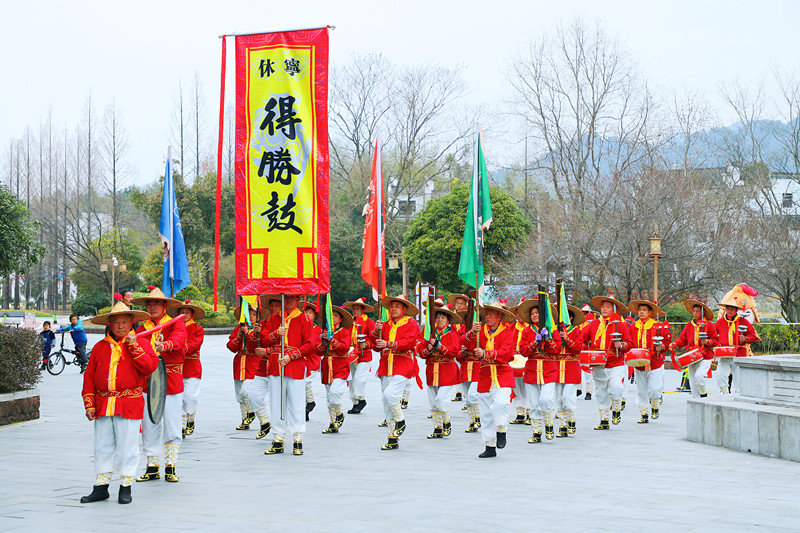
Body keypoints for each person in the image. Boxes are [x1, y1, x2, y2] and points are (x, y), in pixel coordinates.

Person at [79, 302, 158, 505]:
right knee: (102, 446)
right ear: (109, 324)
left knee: (127, 446)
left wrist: (133, 345)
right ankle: (101, 486)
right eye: (116, 322)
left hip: (129, 402)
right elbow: (89, 376)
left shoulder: (142, 343)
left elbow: (149, 366)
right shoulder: (99, 347)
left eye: (125, 322)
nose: (120, 326)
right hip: (104, 402)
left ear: (132, 323)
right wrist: (89, 403)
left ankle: (125, 486)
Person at [133, 287, 187, 483]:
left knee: (172, 425)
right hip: (148, 382)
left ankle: (171, 465)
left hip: (171, 381)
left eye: (156, 303)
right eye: (149, 303)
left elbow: (179, 341)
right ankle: (152, 465)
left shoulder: (176, 324)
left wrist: (167, 345)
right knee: (150, 425)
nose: (152, 306)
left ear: (165, 306)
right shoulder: (140, 329)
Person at [259, 294, 315, 456]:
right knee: (276, 402)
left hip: (295, 364)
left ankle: (298, 438)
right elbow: (263, 338)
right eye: (286, 297)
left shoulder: (304, 319)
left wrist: (291, 356)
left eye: (293, 297)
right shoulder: (274, 319)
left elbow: (311, 343)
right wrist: (276, 333)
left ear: (298, 300)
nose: (289, 300)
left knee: (296, 402)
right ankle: (278, 438)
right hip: (276, 365)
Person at [464, 301, 516, 458]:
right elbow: (464, 343)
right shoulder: (480, 331)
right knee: (485, 413)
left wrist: (486, 353)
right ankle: (490, 446)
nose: (487, 316)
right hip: (485, 375)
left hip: (502, 374)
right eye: (486, 313)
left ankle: (501, 430)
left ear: (499, 316)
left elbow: (507, 353)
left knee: (501, 403)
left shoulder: (506, 332)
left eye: (491, 313)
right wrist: (472, 332)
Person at [370, 295, 421, 451]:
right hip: (386, 365)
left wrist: (388, 343)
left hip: (403, 365)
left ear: (404, 309)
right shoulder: (384, 325)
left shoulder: (411, 324)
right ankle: (392, 439)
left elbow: (409, 343)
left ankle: (401, 420)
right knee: (387, 405)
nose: (393, 309)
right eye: (391, 306)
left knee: (390, 395)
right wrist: (376, 332)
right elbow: (376, 347)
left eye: (397, 306)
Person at [580, 294, 633, 429]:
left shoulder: (620, 325)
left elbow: (629, 344)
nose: (604, 309)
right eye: (603, 307)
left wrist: (620, 345)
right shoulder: (595, 324)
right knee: (600, 392)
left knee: (616, 387)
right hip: (598, 363)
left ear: (613, 309)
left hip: (615, 362)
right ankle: (604, 420)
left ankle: (616, 408)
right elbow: (582, 338)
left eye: (608, 307)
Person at [518, 298, 563, 442]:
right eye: (532, 313)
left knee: (546, 399)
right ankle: (537, 432)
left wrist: (548, 339)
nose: (535, 315)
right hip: (532, 370)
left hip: (549, 369)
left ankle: (549, 424)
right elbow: (523, 351)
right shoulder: (526, 331)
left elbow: (557, 350)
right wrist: (535, 342)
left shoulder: (552, 330)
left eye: (537, 313)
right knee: (534, 403)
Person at [417, 304, 462, 439]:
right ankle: (437, 428)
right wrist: (429, 350)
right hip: (431, 370)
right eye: (437, 317)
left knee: (442, 399)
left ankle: (446, 422)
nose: (440, 319)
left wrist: (440, 346)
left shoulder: (452, 334)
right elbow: (420, 351)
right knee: (433, 401)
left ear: (448, 320)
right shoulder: (429, 333)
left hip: (447, 370)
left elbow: (454, 352)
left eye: (443, 317)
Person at [628, 299, 671, 424]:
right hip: (639, 363)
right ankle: (644, 413)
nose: (641, 312)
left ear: (650, 312)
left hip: (655, 362)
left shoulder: (658, 326)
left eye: (644, 310)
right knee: (641, 390)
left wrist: (661, 347)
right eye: (640, 310)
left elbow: (667, 343)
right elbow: (630, 342)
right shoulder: (633, 327)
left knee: (654, 389)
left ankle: (655, 405)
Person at [669, 300, 718, 398]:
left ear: (703, 312)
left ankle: (703, 395)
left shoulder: (709, 325)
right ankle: (696, 401)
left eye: (697, 311)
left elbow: (716, 341)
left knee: (699, 376)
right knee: (692, 382)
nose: (695, 313)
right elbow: (682, 339)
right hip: (692, 356)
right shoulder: (689, 325)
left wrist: (707, 342)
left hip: (705, 355)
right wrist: (674, 344)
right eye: (694, 311)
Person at [249, 295, 280, 439]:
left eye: (277, 304)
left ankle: (281, 434)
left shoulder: (288, 323)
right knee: (253, 396)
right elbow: (252, 346)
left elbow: (287, 346)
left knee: (278, 402)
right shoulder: (264, 323)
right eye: (271, 305)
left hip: (280, 366)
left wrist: (267, 350)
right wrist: (255, 335)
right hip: (263, 366)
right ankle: (264, 422)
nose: (273, 307)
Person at [318, 304, 353, 433]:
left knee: (335, 392)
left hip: (340, 365)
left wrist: (331, 340)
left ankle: (339, 414)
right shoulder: (324, 332)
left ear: (341, 319)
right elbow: (317, 351)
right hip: (327, 366)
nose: (332, 318)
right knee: (328, 397)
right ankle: (333, 424)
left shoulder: (344, 331)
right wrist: (322, 342)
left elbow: (344, 348)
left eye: (335, 316)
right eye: (330, 316)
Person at [226, 305, 261, 431]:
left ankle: (252, 413)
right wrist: (239, 336)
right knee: (239, 396)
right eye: (248, 314)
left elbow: (256, 347)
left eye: (253, 314)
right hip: (239, 364)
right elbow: (231, 347)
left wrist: (247, 333)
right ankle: (244, 420)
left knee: (246, 391)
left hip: (254, 364)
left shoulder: (259, 330)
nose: (251, 317)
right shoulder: (238, 329)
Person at [714, 295, 757, 394]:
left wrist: (745, 338)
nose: (729, 311)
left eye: (731, 309)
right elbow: (713, 335)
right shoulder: (720, 322)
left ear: (736, 310)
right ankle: (724, 393)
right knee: (720, 375)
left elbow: (752, 335)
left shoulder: (743, 321)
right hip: (724, 353)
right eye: (727, 309)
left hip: (739, 353)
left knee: (738, 377)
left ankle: (738, 395)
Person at [554, 304, 585, 437]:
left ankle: (571, 419)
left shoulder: (576, 331)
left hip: (571, 367)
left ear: (570, 318)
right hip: (556, 367)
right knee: (558, 398)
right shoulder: (553, 331)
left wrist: (567, 338)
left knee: (568, 396)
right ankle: (562, 425)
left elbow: (578, 349)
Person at [343, 297, 376, 414]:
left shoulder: (369, 322)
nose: (355, 311)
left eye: (358, 309)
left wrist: (366, 344)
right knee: (351, 380)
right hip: (351, 355)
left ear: (363, 310)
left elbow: (375, 339)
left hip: (364, 355)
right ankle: (355, 402)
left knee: (359, 379)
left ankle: (361, 399)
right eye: (354, 309)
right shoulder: (349, 322)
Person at [177, 300, 205, 438]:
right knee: (178, 397)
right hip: (176, 367)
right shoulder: (174, 328)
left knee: (190, 397)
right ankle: (182, 426)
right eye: (181, 312)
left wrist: (177, 348)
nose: (184, 314)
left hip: (192, 366)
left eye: (187, 312)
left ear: (192, 314)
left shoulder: (198, 329)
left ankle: (191, 417)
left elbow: (195, 345)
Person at [301, 298, 322, 421]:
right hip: (302, 359)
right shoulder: (301, 326)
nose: (308, 314)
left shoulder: (317, 329)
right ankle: (305, 410)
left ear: (315, 316)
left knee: (306, 382)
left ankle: (311, 401)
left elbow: (315, 344)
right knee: (300, 384)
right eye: (306, 312)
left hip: (312, 359)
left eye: (310, 312)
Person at [447, 293, 470, 402]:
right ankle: (459, 391)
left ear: (465, 305)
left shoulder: (467, 317)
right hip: (454, 347)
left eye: (461, 304)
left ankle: (466, 397)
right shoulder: (451, 317)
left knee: (464, 371)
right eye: (457, 303)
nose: (459, 306)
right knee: (457, 370)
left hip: (464, 347)